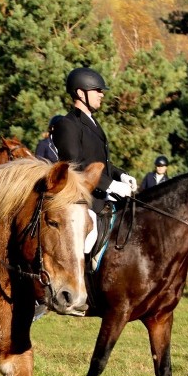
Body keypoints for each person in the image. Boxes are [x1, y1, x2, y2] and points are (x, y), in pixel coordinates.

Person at [51, 67, 136, 266]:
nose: (101, 94)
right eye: (97, 90)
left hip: (102, 195)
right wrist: (110, 186)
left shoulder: (94, 123)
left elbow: (101, 163)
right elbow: (75, 166)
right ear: (81, 93)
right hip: (84, 198)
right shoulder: (68, 124)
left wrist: (121, 176)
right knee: (89, 238)